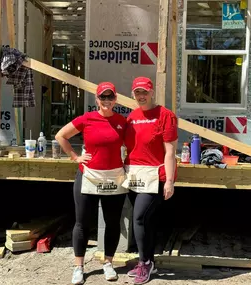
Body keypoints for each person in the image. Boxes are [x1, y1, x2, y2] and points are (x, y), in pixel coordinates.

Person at [55, 82, 128, 284]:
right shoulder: (87, 119)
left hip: (114, 177)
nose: (106, 101)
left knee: (113, 222)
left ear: (115, 99)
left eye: (110, 97)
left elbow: (133, 144)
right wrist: (74, 156)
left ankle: (108, 263)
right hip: (88, 176)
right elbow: (61, 135)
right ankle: (79, 266)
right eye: (102, 97)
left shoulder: (122, 121)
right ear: (97, 99)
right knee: (82, 222)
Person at [123, 77, 178, 285]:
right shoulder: (132, 116)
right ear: (133, 94)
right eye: (137, 93)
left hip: (156, 176)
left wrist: (170, 180)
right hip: (134, 175)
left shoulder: (166, 116)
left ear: (152, 92)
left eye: (144, 92)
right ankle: (149, 262)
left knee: (139, 218)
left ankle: (144, 262)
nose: (141, 96)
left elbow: (170, 151)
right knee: (147, 220)